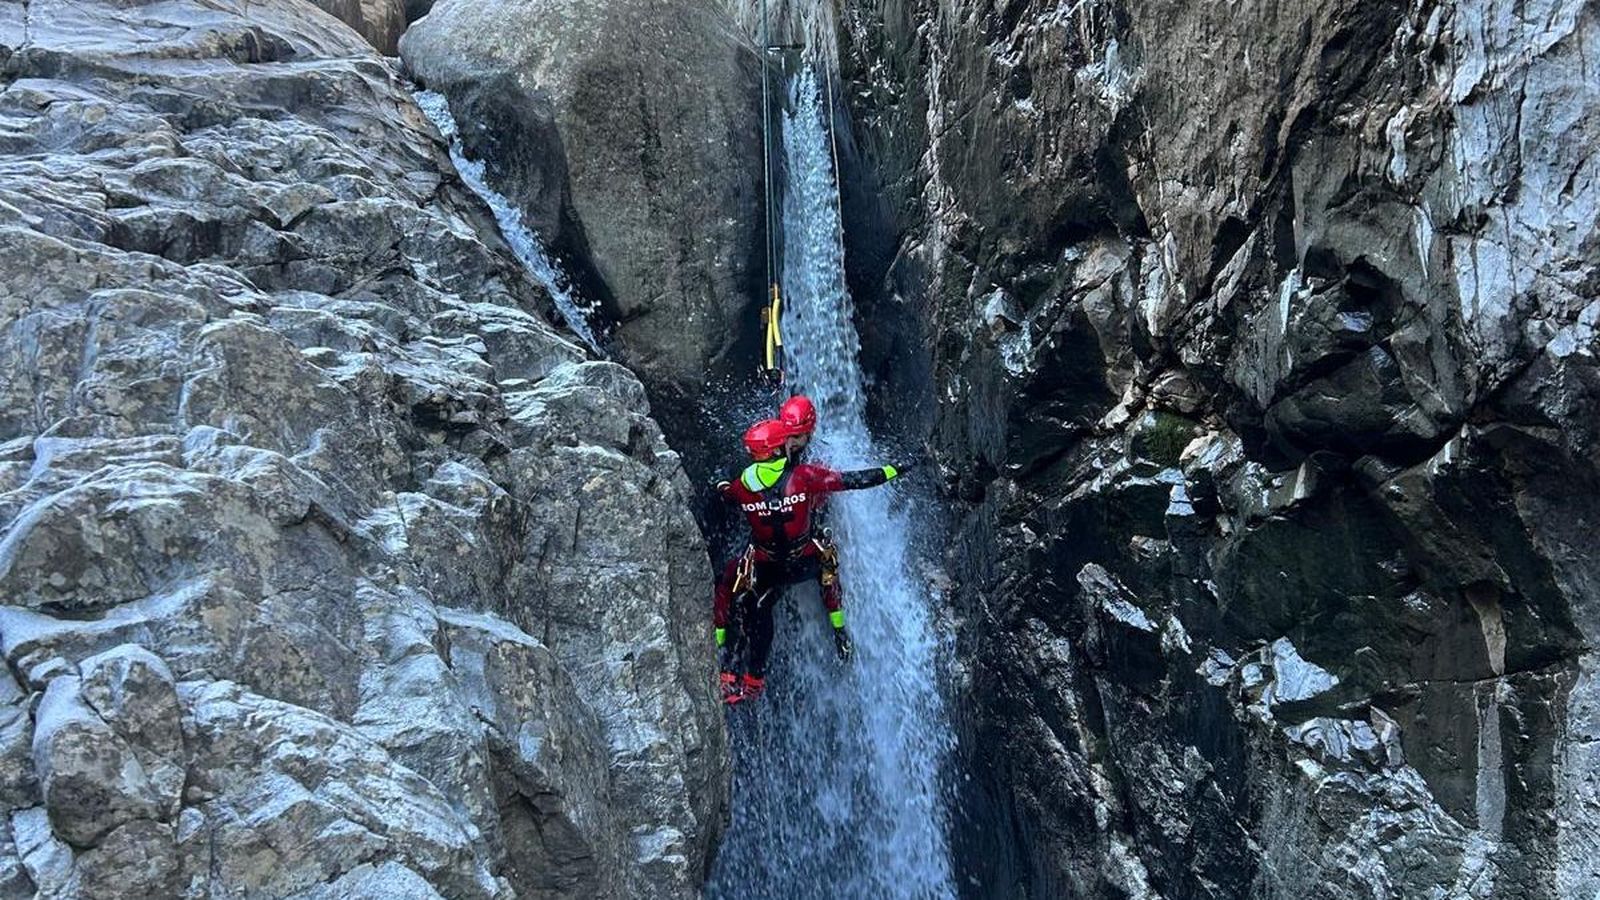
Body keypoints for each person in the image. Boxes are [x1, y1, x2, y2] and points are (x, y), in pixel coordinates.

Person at [712, 415, 908, 704]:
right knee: (828, 569)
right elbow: (853, 481)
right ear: (781, 449)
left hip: (769, 566)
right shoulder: (804, 476)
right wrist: (896, 469)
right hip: (804, 560)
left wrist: (721, 487)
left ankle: (733, 666)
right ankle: (839, 629)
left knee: (747, 598)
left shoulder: (742, 486)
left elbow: (728, 497)